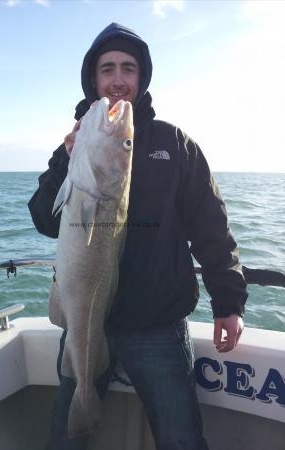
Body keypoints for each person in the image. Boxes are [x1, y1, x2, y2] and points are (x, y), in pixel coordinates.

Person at [28, 23, 248, 450]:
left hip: (158, 325)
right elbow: (43, 218)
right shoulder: (75, 146)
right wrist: (65, 162)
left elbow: (212, 228)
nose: (117, 79)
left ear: (141, 78)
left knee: (181, 438)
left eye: (128, 69)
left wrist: (229, 302)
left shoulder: (175, 143)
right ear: (93, 79)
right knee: (64, 439)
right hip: (86, 323)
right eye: (107, 68)